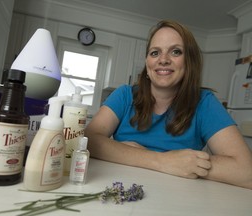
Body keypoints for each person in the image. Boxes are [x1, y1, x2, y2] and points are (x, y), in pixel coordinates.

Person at [84, 20, 252, 189]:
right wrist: (162, 161)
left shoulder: (204, 102)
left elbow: (247, 172)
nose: (163, 60)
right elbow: (87, 139)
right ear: (147, 62)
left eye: (176, 52)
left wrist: (125, 153)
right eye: (155, 53)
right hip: (120, 189)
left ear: (189, 62)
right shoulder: (124, 95)